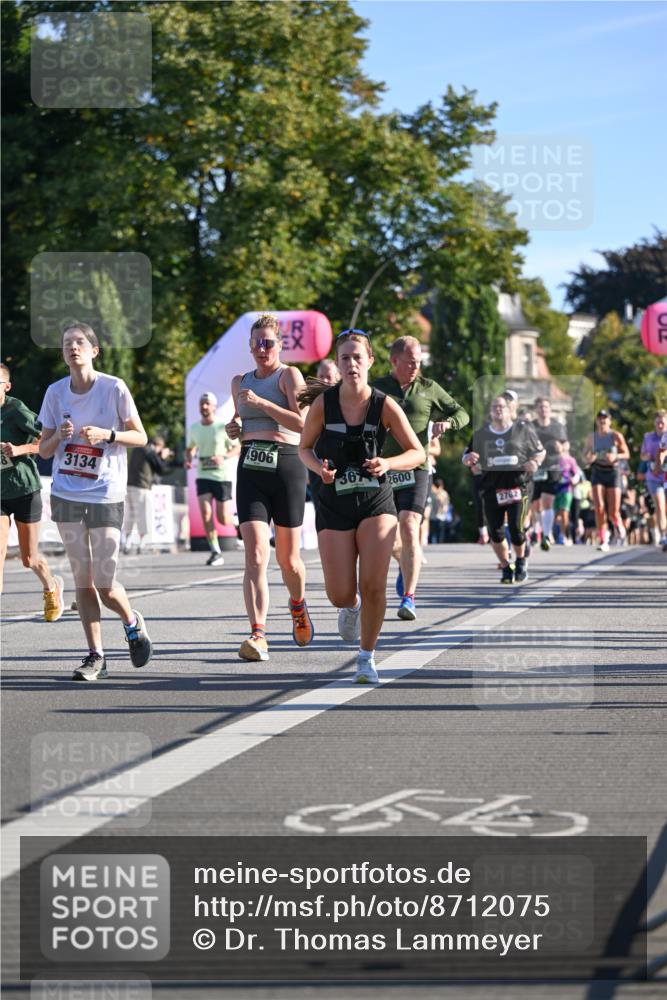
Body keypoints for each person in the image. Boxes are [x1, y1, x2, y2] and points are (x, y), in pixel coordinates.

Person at [298, 330, 423, 683]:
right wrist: (317, 468)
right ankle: (350, 608)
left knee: (373, 585)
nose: (351, 364)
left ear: (369, 361)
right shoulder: (325, 404)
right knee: (340, 593)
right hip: (334, 502)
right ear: (337, 365)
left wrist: (388, 464)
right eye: (344, 358)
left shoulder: (383, 404)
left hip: (375, 501)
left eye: (357, 357)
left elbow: (418, 452)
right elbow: (304, 448)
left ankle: (366, 657)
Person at [38, 322, 152, 681]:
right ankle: (95, 656)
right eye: (67, 343)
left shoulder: (113, 388)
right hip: (66, 493)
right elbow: (42, 448)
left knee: (105, 583)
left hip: (105, 493)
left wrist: (109, 434)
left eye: (80, 342)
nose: (73, 348)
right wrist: (58, 435)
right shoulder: (55, 393)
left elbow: (141, 436)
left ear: (94, 351)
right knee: (83, 581)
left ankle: (132, 622)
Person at [225, 313, 313, 662]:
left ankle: (297, 605)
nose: (263, 349)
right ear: (250, 347)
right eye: (257, 343)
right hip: (250, 467)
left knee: (288, 560)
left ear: (280, 345)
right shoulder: (239, 381)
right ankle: (258, 633)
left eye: (269, 343)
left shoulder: (289, 375)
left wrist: (263, 404)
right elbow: (239, 420)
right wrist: (234, 426)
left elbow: (303, 423)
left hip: (287, 465)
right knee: (256, 555)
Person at [373, 335, 469, 621]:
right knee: (386, 535)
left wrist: (448, 423)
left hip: (417, 467)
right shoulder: (377, 388)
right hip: (385, 468)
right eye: (410, 362)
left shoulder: (428, 388)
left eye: (419, 362)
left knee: (410, 524)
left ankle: (409, 597)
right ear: (394, 361)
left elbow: (461, 412)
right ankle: (405, 564)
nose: (416, 367)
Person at [0, 363, 64, 619]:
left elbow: (47, 441)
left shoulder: (16, 410)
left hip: (25, 490)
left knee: (29, 559)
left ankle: (52, 586)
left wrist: (19, 450)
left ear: (6, 386)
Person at [463, 395, 545, 584]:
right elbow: (466, 456)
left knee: (516, 529)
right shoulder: (481, 434)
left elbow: (540, 452)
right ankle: (506, 566)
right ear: (491, 411)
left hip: (518, 486)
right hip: (492, 488)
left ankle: (521, 561)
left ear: (510, 410)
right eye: (494, 406)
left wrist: (534, 462)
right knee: (496, 532)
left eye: (502, 406)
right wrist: (469, 460)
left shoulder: (523, 430)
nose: (498, 409)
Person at [186, 392, 240, 566]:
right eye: (202, 403)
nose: (204, 407)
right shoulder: (194, 428)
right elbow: (190, 448)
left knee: (223, 518)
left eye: (207, 403)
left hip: (221, 477)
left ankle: (237, 521)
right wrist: (188, 458)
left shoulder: (221, 427)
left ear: (214, 407)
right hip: (203, 475)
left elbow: (237, 447)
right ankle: (215, 551)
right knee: (206, 514)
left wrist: (223, 457)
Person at [582, 409, 630, 551]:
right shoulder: (592, 437)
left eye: (605, 419)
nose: (602, 421)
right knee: (599, 507)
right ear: (597, 421)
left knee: (613, 510)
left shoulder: (616, 436)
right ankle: (603, 539)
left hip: (613, 472)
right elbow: (584, 456)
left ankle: (617, 523)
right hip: (598, 471)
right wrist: (588, 459)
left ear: (609, 421)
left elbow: (626, 453)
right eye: (600, 419)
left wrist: (616, 457)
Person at [122, 435, 172, 554]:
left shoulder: (136, 449)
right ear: (158, 445)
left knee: (131, 516)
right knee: (143, 515)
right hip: (142, 487)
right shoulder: (149, 450)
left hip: (129, 485)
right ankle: (141, 542)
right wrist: (163, 457)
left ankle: (127, 543)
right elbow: (160, 469)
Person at [530, 397, 567, 550]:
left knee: (547, 502)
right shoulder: (531, 427)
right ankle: (538, 527)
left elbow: (566, 443)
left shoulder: (557, 426)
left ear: (550, 410)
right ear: (536, 410)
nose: (543, 410)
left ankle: (546, 534)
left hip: (552, 466)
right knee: (535, 504)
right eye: (540, 407)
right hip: (535, 466)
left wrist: (562, 447)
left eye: (546, 407)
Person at [640, 410, 667, 548]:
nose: (660, 425)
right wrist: (652, 461)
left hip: (666, 475)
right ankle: (663, 536)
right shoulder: (648, 437)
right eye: (658, 422)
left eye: (663, 422)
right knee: (660, 506)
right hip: (654, 476)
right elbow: (643, 455)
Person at [553, 440, 581, 545]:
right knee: (554, 514)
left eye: (564, 443)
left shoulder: (570, 460)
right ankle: (550, 535)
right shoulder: (552, 459)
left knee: (564, 513)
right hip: (553, 490)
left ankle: (563, 535)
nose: (561, 446)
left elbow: (576, 473)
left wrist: (575, 479)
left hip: (566, 489)